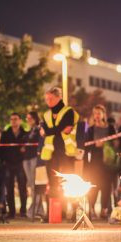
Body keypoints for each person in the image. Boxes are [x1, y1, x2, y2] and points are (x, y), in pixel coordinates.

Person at [40, 86, 79, 220]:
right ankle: (54, 213)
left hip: (66, 153)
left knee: (69, 183)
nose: (48, 102)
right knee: (52, 185)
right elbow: (56, 129)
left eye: (51, 98)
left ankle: (75, 212)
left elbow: (61, 129)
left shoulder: (69, 112)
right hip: (51, 155)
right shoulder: (46, 115)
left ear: (59, 97)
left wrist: (48, 130)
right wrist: (55, 129)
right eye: (46, 99)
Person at [84, 104, 116, 219]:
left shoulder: (110, 128)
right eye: (95, 113)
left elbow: (115, 143)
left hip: (107, 162)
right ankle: (91, 208)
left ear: (103, 114)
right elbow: (86, 146)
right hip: (95, 162)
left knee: (106, 186)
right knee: (94, 185)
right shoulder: (91, 129)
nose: (97, 116)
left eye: (99, 113)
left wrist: (105, 144)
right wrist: (95, 145)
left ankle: (104, 209)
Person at [0, 113, 28, 217]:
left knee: (22, 188)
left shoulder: (25, 133)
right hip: (8, 163)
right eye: (11, 119)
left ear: (20, 120)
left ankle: (23, 211)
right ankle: (11, 212)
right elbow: (1, 149)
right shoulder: (5, 134)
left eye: (15, 119)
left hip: (20, 163)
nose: (13, 121)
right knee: (9, 188)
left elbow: (27, 148)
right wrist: (3, 161)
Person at [22, 111, 41, 201]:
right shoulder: (29, 131)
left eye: (30, 118)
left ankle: (36, 207)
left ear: (35, 119)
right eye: (27, 118)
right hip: (26, 159)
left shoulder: (39, 130)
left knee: (34, 183)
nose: (28, 120)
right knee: (31, 183)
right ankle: (37, 208)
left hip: (34, 158)